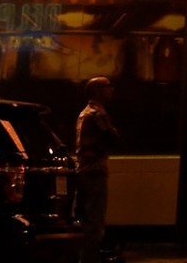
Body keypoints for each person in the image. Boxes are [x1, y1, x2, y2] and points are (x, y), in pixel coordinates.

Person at [76, 76, 118, 263]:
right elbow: (113, 139)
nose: (112, 89)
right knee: (95, 221)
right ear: (97, 91)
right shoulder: (97, 114)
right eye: (108, 86)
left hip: (84, 171)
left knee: (85, 219)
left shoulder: (84, 113)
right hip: (95, 171)